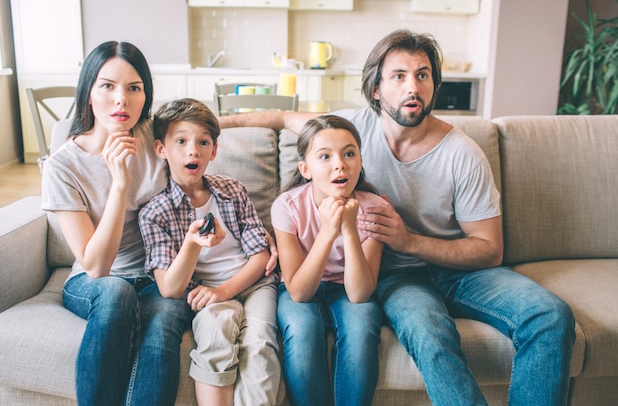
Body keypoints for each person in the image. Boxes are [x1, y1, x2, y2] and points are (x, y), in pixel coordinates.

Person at [219, 29, 577, 406]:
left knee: (550, 315)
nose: (413, 87)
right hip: (400, 277)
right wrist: (208, 126)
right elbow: (279, 116)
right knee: (430, 335)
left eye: (423, 75)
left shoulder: (463, 154)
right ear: (376, 90)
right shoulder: (349, 132)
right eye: (399, 76)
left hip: (466, 273)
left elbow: (490, 251)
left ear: (434, 85)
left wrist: (410, 242)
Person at [40, 41, 192, 406]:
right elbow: (96, 266)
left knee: (168, 313)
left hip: (156, 277)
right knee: (116, 291)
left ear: (145, 95)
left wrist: (286, 120)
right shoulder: (63, 166)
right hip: (95, 281)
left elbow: (209, 127)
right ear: (88, 93)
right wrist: (119, 183)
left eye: (133, 88)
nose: (121, 99)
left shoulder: (154, 136)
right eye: (107, 86)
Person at [138, 98, 281, 406]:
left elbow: (259, 256)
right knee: (216, 337)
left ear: (214, 150)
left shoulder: (233, 190)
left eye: (203, 142)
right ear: (161, 149)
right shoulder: (155, 213)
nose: (194, 151)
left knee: (260, 343)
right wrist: (191, 243)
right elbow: (170, 287)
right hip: (205, 292)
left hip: (254, 284)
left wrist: (224, 291)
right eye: (181, 141)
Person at [271, 115, 387, 406]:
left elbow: (360, 294)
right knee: (301, 331)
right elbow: (298, 292)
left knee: (362, 329)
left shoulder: (376, 209)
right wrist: (328, 230)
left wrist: (348, 227)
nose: (340, 164)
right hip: (301, 287)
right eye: (325, 156)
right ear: (305, 169)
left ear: (360, 161)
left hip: (348, 290)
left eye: (349, 153)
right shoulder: (287, 207)